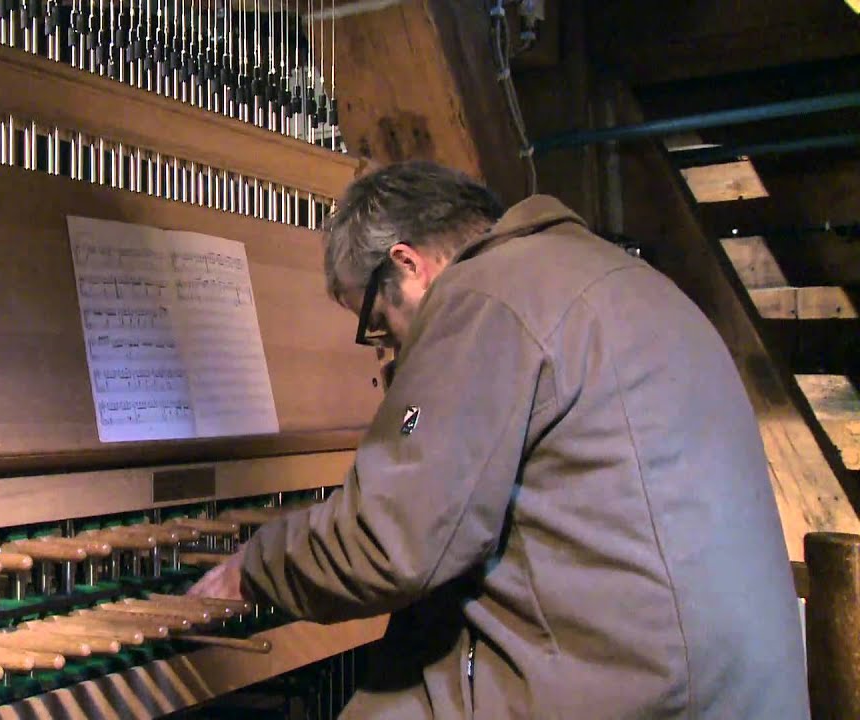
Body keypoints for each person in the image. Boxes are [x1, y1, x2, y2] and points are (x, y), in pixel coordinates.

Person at [187, 160, 808, 718]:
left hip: (645, 688)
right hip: (729, 684)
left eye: (377, 324)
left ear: (407, 263)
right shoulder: (616, 276)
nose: (391, 351)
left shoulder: (482, 296)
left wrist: (257, 565)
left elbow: (390, 544)